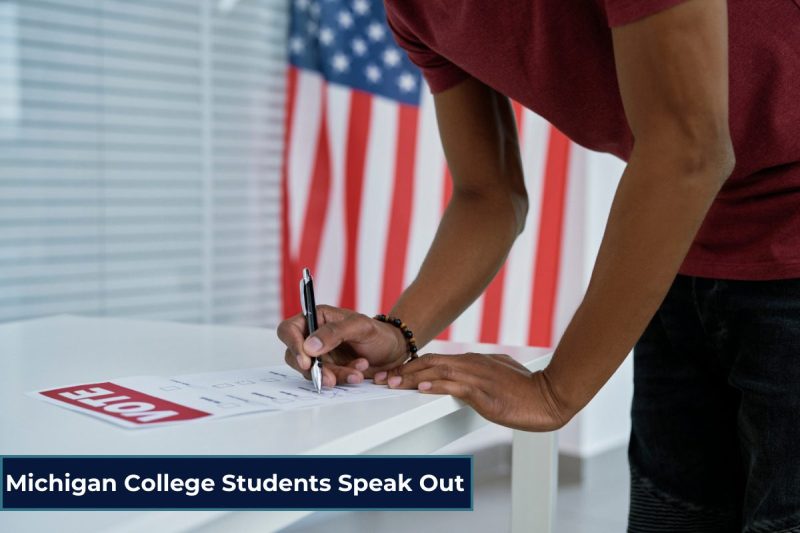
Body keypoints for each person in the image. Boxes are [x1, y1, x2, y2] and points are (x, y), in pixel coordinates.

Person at [278, 0, 800, 530]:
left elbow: (690, 150)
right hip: (685, 248)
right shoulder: (414, 11)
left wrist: (555, 391)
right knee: (673, 517)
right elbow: (490, 195)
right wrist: (396, 333)